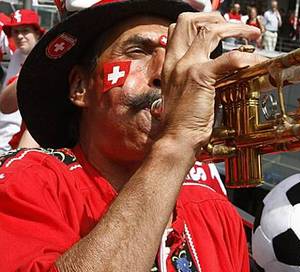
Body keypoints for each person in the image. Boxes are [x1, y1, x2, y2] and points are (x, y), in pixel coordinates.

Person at [0, 0, 264, 271]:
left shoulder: (216, 212)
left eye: (178, 55)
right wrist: (177, 143)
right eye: (138, 51)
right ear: (80, 87)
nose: (167, 72)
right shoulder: (26, 185)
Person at [0, 10, 43, 154]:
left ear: (37, 33)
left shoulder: (46, 59)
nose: (19, 36)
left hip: (26, 141)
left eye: (25, 31)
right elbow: (5, 105)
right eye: (15, 31)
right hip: (6, 138)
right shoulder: (18, 55)